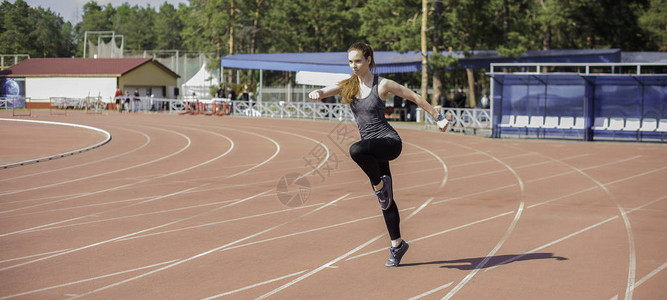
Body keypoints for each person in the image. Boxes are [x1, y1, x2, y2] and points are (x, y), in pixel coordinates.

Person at [308, 42, 448, 267]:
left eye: (358, 61)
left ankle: (379, 186)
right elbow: (326, 91)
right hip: (372, 151)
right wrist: (317, 92)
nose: (354, 65)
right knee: (386, 202)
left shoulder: (382, 84)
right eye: (350, 61)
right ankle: (397, 244)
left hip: (389, 143)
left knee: (356, 150)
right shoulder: (348, 85)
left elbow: (414, 97)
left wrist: (437, 117)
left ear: (369, 60)